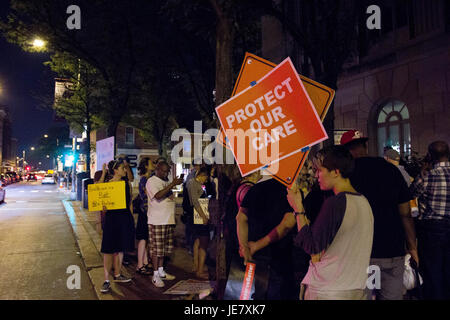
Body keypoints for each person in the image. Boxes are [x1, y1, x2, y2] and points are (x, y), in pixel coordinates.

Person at [282, 146, 374, 300]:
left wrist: (298, 208)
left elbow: (311, 246)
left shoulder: (336, 203)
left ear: (336, 172)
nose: (316, 175)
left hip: (328, 288)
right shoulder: (363, 201)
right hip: (356, 287)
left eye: (320, 170)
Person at [340, 130, 418, 300]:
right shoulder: (390, 169)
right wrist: (412, 247)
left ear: (345, 151)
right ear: (365, 146)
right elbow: (405, 213)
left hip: (360, 253)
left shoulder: (344, 176)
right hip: (392, 250)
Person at [236, 176, 297, 300]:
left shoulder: (254, 188)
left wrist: (245, 247)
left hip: (255, 258)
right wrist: (256, 245)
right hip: (279, 258)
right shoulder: (288, 190)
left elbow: (241, 217)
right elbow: (287, 224)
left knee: (257, 295)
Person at [410, 141, 450, 299]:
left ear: (430, 155)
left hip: (432, 228)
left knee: (433, 271)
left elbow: (411, 193)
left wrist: (422, 171)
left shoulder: (427, 176)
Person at [99, 159, 136, 293]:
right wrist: (103, 172)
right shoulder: (108, 184)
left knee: (120, 248)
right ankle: (106, 280)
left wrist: (131, 219)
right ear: (115, 170)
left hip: (124, 218)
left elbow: (130, 201)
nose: (124, 170)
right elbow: (98, 192)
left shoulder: (126, 184)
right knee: (108, 249)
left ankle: (118, 274)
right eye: (122, 168)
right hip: (111, 219)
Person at [146, 161, 183, 288]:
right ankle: (155, 275)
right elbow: (158, 196)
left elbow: (170, 197)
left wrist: (172, 184)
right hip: (157, 221)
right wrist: (172, 184)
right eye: (163, 170)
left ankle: (161, 271)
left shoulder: (165, 181)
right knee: (157, 250)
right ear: (157, 169)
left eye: (167, 171)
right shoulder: (152, 181)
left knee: (163, 249)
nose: (166, 173)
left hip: (167, 220)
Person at [186, 167, 210, 279]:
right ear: (202, 175)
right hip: (198, 218)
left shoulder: (194, 183)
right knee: (204, 243)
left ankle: (197, 266)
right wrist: (203, 216)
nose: (206, 180)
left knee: (197, 241)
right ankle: (199, 271)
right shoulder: (193, 183)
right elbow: (195, 201)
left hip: (196, 217)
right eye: (206, 178)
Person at [135, 157, 155, 276]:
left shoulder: (147, 179)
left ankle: (145, 262)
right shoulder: (144, 180)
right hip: (145, 212)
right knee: (143, 238)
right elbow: (146, 196)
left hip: (147, 211)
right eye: (151, 163)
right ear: (146, 166)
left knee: (145, 238)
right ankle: (140, 265)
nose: (153, 164)